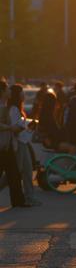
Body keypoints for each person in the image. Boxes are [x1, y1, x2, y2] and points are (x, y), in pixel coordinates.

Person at [9, 84, 41, 206]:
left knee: (27, 171)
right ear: (17, 95)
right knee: (15, 173)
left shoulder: (18, 109)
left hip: (24, 142)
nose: (24, 94)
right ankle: (28, 197)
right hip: (19, 144)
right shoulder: (13, 109)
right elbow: (14, 128)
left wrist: (27, 127)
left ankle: (30, 197)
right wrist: (25, 126)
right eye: (21, 92)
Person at [0, 80, 26, 208]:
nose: (9, 91)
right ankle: (18, 202)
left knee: (14, 175)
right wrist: (11, 128)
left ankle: (18, 202)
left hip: (6, 145)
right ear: (2, 92)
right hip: (2, 146)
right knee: (13, 174)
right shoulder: (2, 107)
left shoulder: (5, 106)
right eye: (7, 89)